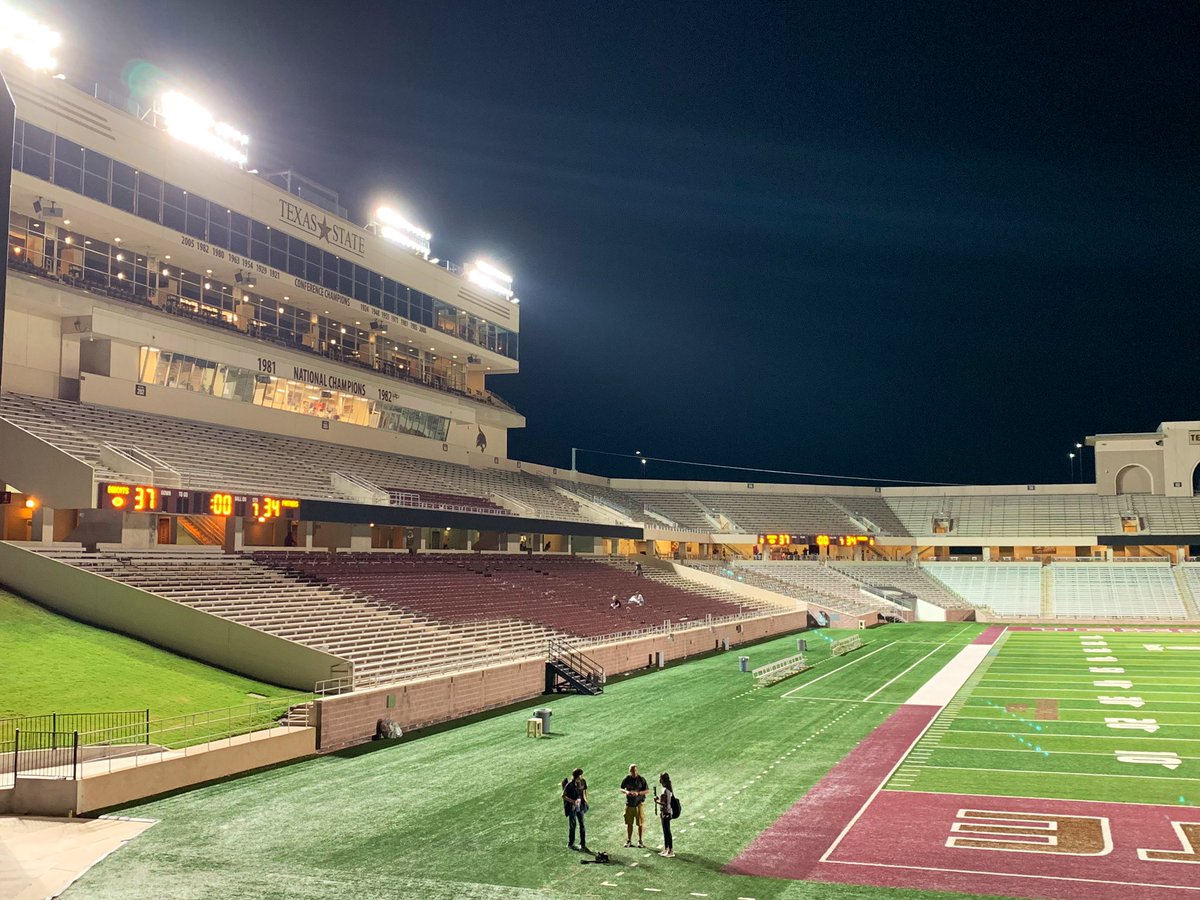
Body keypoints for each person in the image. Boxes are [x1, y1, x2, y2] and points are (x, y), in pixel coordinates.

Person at [620, 764, 649, 848]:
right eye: (632, 771)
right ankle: (629, 840)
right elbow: (621, 788)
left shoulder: (641, 779)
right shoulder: (627, 779)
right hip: (629, 804)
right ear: (630, 771)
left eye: (635, 770)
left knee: (640, 823)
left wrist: (638, 793)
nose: (634, 772)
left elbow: (647, 790)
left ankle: (640, 841)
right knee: (629, 823)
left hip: (638, 804)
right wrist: (627, 792)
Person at [562, 768, 590, 852]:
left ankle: (583, 843)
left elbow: (584, 791)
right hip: (572, 808)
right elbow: (563, 796)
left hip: (580, 806)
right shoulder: (570, 785)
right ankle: (571, 843)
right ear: (576, 776)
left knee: (582, 824)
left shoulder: (583, 781)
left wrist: (585, 800)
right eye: (580, 775)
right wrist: (573, 801)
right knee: (572, 825)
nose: (581, 776)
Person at [654, 772, 675, 857]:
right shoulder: (666, 789)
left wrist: (657, 801)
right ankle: (666, 848)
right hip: (665, 812)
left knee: (667, 831)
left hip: (666, 813)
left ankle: (670, 850)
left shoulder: (666, 790)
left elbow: (665, 804)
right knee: (665, 831)